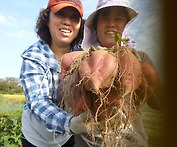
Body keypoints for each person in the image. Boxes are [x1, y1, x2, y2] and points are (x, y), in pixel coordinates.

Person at [74, 0, 161, 146]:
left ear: (126, 24)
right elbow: (72, 105)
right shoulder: (81, 60)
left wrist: (145, 85)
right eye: (105, 18)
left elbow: (160, 104)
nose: (111, 24)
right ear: (95, 26)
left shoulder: (140, 58)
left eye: (118, 19)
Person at [19, 0, 89, 146]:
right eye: (60, 14)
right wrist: (70, 123)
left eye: (74, 18)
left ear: (80, 25)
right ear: (47, 18)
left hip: (67, 136)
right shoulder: (33, 56)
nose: (67, 22)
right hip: (37, 138)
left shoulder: (84, 55)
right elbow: (38, 101)